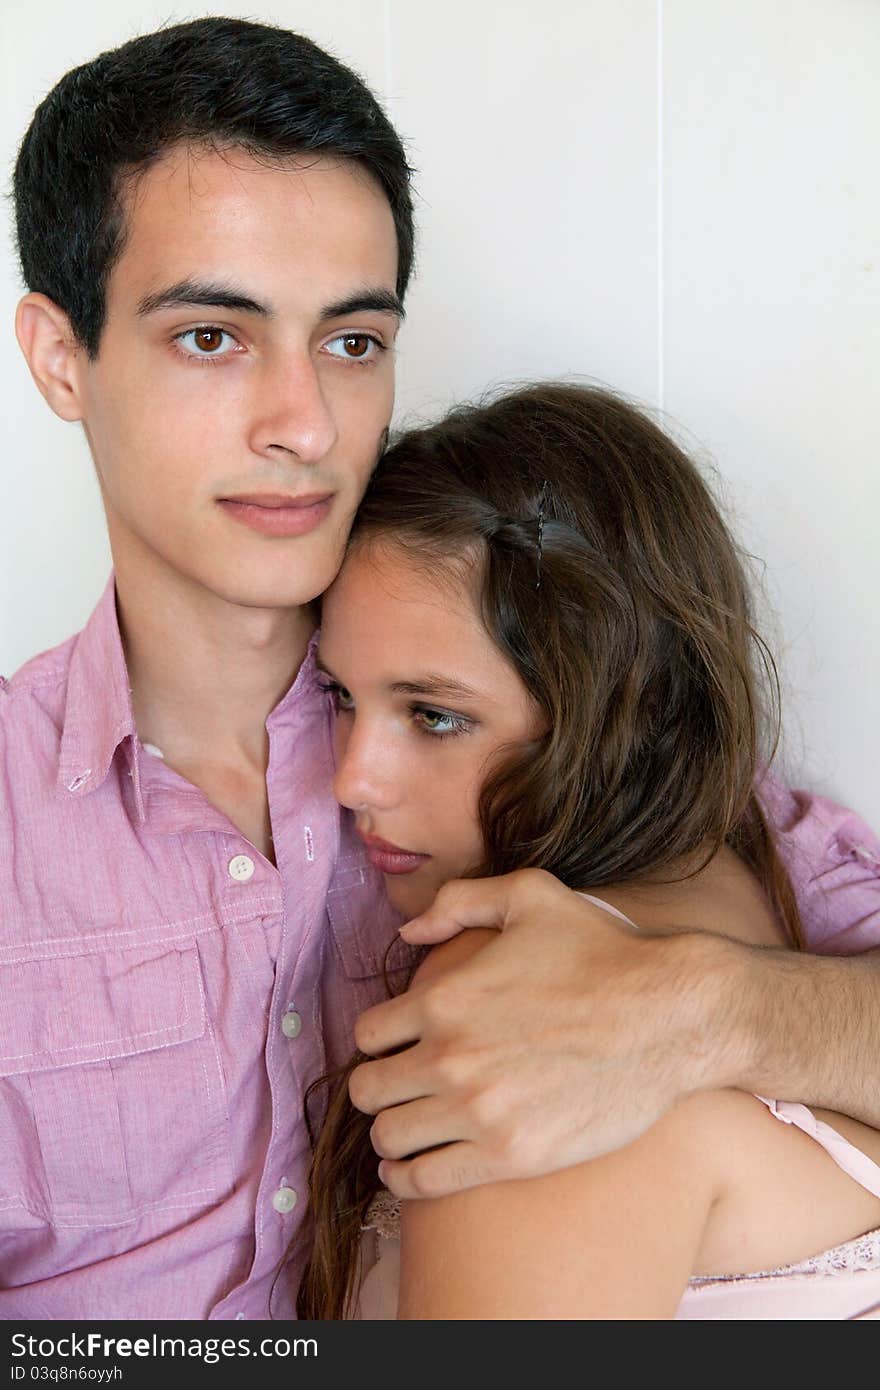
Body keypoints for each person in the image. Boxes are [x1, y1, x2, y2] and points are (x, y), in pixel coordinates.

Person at [1, 15, 877, 1319]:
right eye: (212, 337)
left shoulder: (545, 723)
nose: (303, 421)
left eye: (352, 342)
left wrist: (712, 1009)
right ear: (62, 355)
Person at [298, 382, 880, 1318]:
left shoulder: (533, 1011)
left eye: (435, 715)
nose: (353, 780)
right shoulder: (733, 863)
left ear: (623, 713)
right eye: (340, 697)